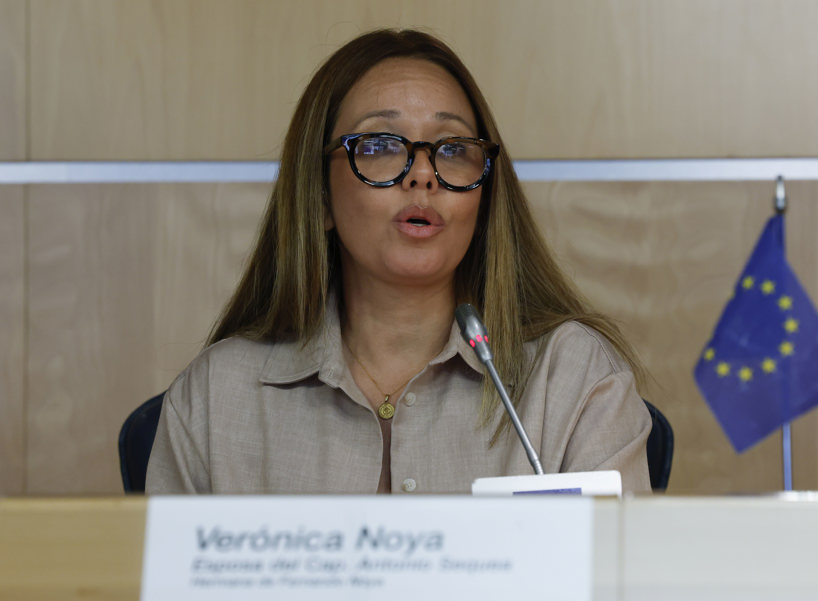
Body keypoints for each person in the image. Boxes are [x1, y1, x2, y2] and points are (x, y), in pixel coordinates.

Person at [146, 28, 652, 494]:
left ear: (485, 196)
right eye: (383, 145)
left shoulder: (573, 380)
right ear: (319, 196)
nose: (423, 175)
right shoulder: (216, 397)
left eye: (452, 149)